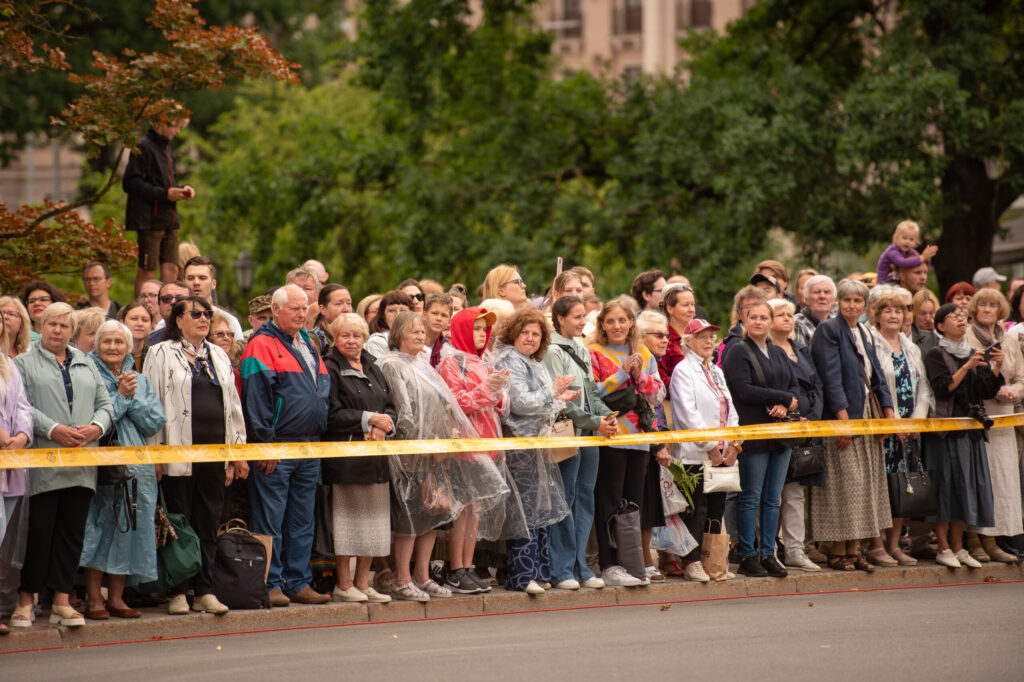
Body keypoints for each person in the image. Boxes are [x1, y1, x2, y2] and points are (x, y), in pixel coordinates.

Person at [376, 312, 507, 601]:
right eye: (413, 332)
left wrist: (444, 439)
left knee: (432, 514)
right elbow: (403, 410)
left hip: (436, 450)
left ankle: (422, 576)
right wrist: (417, 442)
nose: (421, 336)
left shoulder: (422, 363)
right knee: (410, 517)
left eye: (422, 332)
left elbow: (445, 406)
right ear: (397, 334)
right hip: (411, 451)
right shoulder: (390, 364)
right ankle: (402, 578)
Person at [11, 303, 113, 628]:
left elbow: (106, 404)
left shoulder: (86, 363)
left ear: (72, 331)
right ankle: (27, 600)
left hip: (83, 465)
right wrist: (54, 429)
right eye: (51, 324)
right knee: (39, 532)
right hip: (44, 465)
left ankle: (62, 601)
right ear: (41, 325)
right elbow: (21, 406)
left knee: (72, 534)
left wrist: (97, 426)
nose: (57, 330)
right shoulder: (24, 363)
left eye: (64, 326)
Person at [144, 295, 247, 615]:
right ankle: (178, 591)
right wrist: (155, 454)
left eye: (207, 314)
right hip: (175, 450)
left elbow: (233, 407)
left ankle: (204, 589)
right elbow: (151, 404)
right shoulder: (160, 352)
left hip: (214, 453)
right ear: (178, 320)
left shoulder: (217, 354)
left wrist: (237, 453)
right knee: (179, 519)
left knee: (208, 520)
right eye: (196, 314)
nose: (204, 319)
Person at [241, 284, 331, 607]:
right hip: (277, 445)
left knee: (301, 519)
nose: (300, 314)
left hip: (309, 446)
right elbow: (256, 398)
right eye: (294, 308)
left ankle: (298, 580)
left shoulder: (308, 342)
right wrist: (265, 445)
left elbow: (320, 388)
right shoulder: (261, 344)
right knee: (270, 518)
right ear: (275, 310)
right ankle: (269, 583)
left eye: (304, 308)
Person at [80, 320, 166, 620]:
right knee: (99, 527)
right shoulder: (87, 374)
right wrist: (121, 397)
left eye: (119, 342)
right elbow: (94, 423)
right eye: (107, 342)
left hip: (137, 467)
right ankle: (93, 598)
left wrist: (130, 398)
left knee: (129, 528)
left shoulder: (138, 379)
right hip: (102, 462)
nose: (113, 347)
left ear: (129, 347)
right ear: (96, 344)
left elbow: (155, 421)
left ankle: (117, 598)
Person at [809, 279, 895, 572]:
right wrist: (843, 421)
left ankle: (855, 549)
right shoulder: (828, 330)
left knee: (867, 483)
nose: (852, 305)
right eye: (847, 300)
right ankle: (837, 552)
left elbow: (878, 376)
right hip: (844, 415)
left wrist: (888, 414)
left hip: (867, 413)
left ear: (865, 305)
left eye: (858, 301)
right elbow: (831, 378)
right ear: (839, 302)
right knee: (846, 484)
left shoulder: (864, 331)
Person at [494, 307, 574, 593]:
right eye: (525, 333)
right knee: (525, 512)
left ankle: (539, 572)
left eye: (536, 334)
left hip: (536, 445)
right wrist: (552, 393)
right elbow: (520, 404)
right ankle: (521, 575)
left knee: (538, 509)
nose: (530, 338)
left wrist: (558, 397)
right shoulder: (510, 360)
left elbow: (541, 403)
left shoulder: (532, 361)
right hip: (519, 445)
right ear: (513, 333)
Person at [437, 307, 517, 594]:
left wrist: (498, 391)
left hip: (487, 444)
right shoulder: (452, 362)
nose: (482, 334)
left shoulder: (484, 361)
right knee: (463, 509)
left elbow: (498, 406)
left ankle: (467, 566)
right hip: (465, 447)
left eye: (485, 329)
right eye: (476, 328)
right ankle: (456, 568)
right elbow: (457, 403)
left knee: (475, 509)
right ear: (461, 330)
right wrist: (488, 389)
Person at [588, 298, 665, 586]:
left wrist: (639, 376)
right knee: (609, 498)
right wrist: (621, 375)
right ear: (603, 325)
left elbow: (658, 394)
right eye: (611, 321)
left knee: (634, 500)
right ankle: (609, 563)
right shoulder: (593, 351)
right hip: (609, 434)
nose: (617, 326)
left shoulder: (642, 351)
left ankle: (631, 561)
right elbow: (591, 392)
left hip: (639, 436)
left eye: (622, 320)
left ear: (631, 322)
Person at [542, 296, 617, 590]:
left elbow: (592, 393)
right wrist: (593, 421)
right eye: (576, 316)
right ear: (560, 319)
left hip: (589, 433)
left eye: (583, 315)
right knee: (565, 499)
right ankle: (561, 569)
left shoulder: (582, 348)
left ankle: (580, 565)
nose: (582, 321)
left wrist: (605, 416)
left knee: (585, 498)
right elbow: (561, 402)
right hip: (566, 431)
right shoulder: (552, 351)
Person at [721, 300, 799, 578]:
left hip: (780, 433)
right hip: (753, 431)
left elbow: (793, 386)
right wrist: (780, 398)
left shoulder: (778, 352)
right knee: (750, 497)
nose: (758, 321)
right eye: (752, 317)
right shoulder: (737, 351)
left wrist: (786, 404)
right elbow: (744, 390)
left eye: (764, 317)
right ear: (743, 320)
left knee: (773, 497)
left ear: (771, 321)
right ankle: (747, 553)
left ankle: (768, 553)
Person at [322, 313, 396, 604]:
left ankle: (363, 583)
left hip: (376, 461)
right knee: (348, 524)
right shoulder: (330, 368)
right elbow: (331, 414)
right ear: (335, 338)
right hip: (347, 462)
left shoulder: (373, 367)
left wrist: (383, 425)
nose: (351, 341)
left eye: (357, 335)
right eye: (345, 335)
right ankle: (344, 582)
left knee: (374, 524)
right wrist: (369, 420)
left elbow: (391, 407)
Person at [924, 304, 1003, 568]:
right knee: (945, 489)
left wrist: (994, 367)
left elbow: (984, 390)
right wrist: (968, 366)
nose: (960, 320)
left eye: (962, 316)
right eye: (953, 317)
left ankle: (959, 547)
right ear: (940, 326)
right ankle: (943, 547)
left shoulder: (972, 352)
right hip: (945, 433)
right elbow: (943, 388)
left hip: (970, 433)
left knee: (964, 489)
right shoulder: (935, 353)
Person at [669, 318, 740, 582]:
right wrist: (711, 446)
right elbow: (688, 414)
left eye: (711, 336)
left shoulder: (716, 371)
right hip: (695, 454)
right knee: (696, 508)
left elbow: (730, 409)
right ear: (688, 342)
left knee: (716, 509)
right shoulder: (683, 370)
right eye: (702, 337)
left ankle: (713, 561)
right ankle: (692, 560)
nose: (709, 341)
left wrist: (734, 443)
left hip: (722, 452)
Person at [867, 292, 934, 566]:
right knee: (880, 486)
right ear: (878, 316)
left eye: (898, 311)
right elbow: (873, 388)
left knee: (902, 486)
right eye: (888, 311)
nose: (894, 315)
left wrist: (915, 421)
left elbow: (924, 389)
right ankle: (875, 544)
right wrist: (892, 421)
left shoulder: (911, 347)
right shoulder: (871, 344)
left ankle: (894, 545)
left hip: (910, 430)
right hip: (885, 427)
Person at [963, 290, 1024, 563]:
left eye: (992, 305)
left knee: (1004, 480)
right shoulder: (968, 336)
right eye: (982, 304)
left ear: (1001, 310)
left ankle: (1001, 538)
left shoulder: (1009, 338)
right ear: (975, 309)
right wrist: (996, 382)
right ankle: (977, 538)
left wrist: (1014, 391)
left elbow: (1022, 376)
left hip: (1006, 415)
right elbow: (972, 378)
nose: (987, 309)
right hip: (980, 414)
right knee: (983, 479)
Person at [766, 298, 825, 572]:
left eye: (790, 314)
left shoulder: (801, 348)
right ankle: (766, 549)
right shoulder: (763, 351)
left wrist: (810, 418)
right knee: (771, 494)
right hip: (776, 431)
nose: (788, 319)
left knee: (795, 494)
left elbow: (816, 385)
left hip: (805, 429)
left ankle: (795, 550)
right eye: (781, 314)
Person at [122, 115, 194, 293]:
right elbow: (130, 183)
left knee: (172, 269)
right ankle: (142, 309)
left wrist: (182, 190)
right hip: (149, 220)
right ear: (162, 123)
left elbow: (166, 184)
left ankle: (167, 306)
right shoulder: (143, 146)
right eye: (175, 126)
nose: (177, 131)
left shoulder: (167, 150)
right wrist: (165, 194)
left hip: (169, 218)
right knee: (148, 270)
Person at [0, 311, 32, 634]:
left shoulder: (9, 365)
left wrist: (21, 436)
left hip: (11, 460)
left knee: (4, 539)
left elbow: (23, 405)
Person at [635, 310, 673, 581]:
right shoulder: (637, 355)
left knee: (650, 500)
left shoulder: (652, 361)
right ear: (641, 336)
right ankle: (642, 559)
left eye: (667, 335)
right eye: (658, 335)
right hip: (639, 436)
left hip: (654, 434)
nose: (665, 340)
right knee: (641, 500)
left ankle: (646, 556)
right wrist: (657, 442)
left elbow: (659, 396)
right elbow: (643, 400)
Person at [182, 256, 244, 340]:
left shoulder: (230, 322)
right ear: (183, 283)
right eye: (190, 278)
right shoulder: (169, 321)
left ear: (213, 284)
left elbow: (238, 352)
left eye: (202, 278)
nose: (196, 282)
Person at [656, 283, 697, 388]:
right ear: (670, 309)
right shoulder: (662, 339)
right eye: (685, 305)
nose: (691, 310)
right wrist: (692, 386)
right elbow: (660, 380)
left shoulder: (697, 337)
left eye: (693, 305)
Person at [718, 285, 769, 367]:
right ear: (739, 314)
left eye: (757, 305)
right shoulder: (734, 345)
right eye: (748, 306)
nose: (753, 310)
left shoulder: (770, 343)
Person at [876, 220, 938, 285]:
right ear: (895, 238)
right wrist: (922, 257)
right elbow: (903, 262)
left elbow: (919, 263)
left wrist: (927, 259)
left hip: (897, 283)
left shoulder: (910, 252)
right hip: (884, 284)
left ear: (916, 242)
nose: (907, 241)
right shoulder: (892, 252)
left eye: (911, 239)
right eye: (904, 238)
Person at [364, 290, 415, 360]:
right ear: (383, 316)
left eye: (403, 311)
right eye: (391, 310)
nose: (397, 315)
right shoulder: (376, 343)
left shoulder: (420, 341)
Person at [793, 274, 836, 346]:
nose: (822, 296)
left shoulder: (839, 321)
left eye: (826, 292)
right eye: (816, 292)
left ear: (833, 299)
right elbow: (801, 356)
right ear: (806, 299)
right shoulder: (797, 323)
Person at [311, 284, 353, 353]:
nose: (346, 309)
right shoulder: (314, 339)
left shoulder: (355, 337)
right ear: (323, 309)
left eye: (348, 303)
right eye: (339, 304)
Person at [147, 280, 190, 345]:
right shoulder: (149, 341)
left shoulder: (204, 335)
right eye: (167, 299)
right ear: (159, 305)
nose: (173, 302)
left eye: (180, 298)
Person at [118, 302, 154, 371]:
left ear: (151, 326)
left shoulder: (155, 356)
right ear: (122, 323)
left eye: (145, 320)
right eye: (134, 319)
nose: (140, 324)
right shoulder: (114, 355)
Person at [285, 267, 322, 332]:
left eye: (307, 288)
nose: (302, 292)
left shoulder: (325, 320)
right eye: (296, 288)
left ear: (317, 293)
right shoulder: (280, 322)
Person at [421, 293, 452, 368]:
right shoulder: (410, 340)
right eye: (434, 313)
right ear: (424, 315)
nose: (439, 318)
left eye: (444, 315)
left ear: (449, 321)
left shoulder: (448, 349)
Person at [911, 289, 940, 357]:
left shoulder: (942, 336)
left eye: (931, 313)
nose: (928, 319)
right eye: (923, 314)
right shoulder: (909, 337)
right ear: (914, 314)